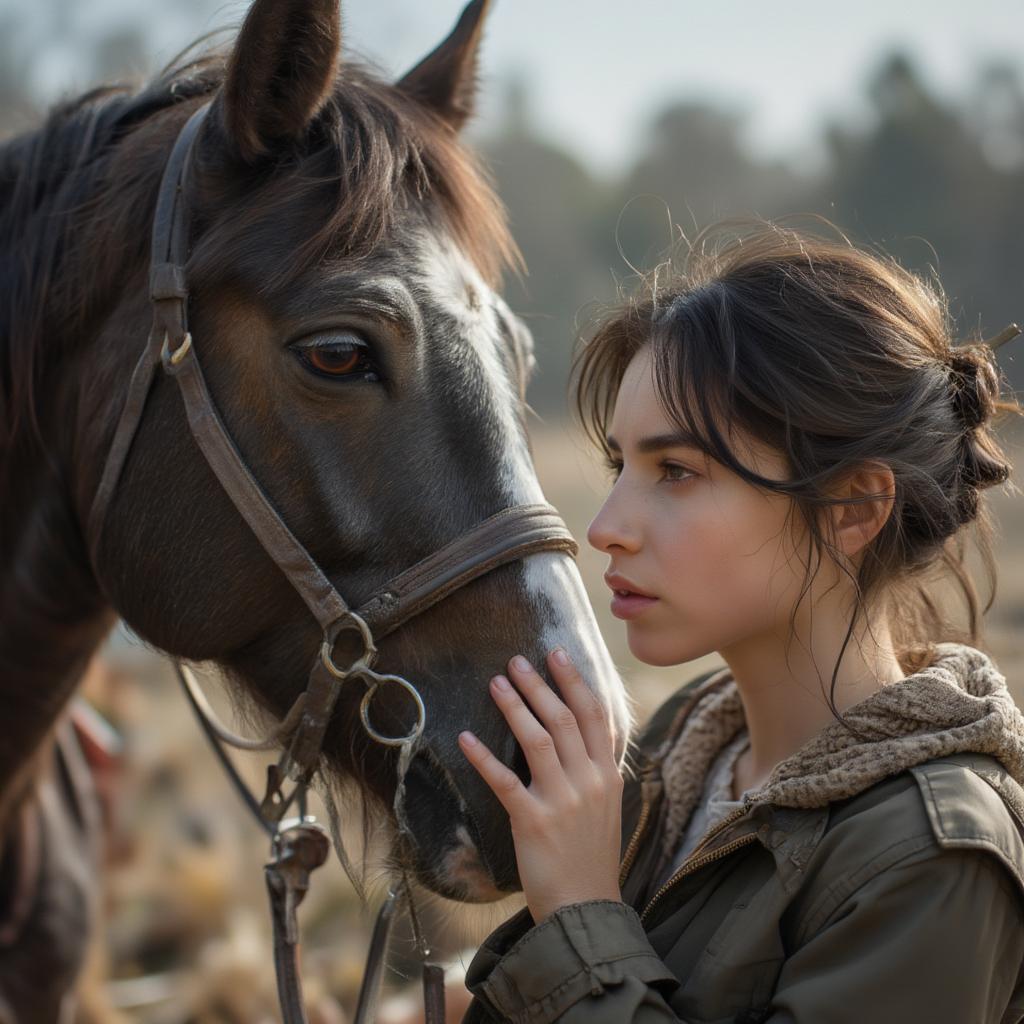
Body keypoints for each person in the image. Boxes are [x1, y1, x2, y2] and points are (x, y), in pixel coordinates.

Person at [454, 218, 1024, 1023]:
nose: (607, 525)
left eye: (677, 471)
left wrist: (579, 918)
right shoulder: (679, 747)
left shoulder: (935, 855)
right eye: (622, 466)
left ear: (853, 507)